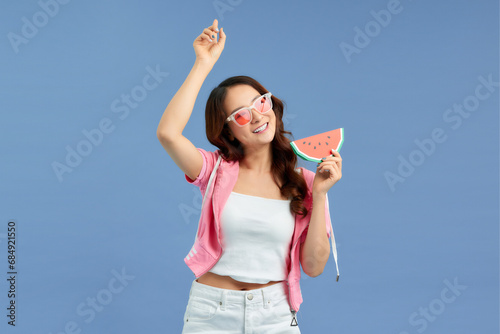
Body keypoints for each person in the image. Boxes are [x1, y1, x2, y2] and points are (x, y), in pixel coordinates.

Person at [156, 18, 342, 333]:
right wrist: (203, 64)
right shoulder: (213, 170)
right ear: (228, 131)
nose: (257, 115)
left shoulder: (305, 183)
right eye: (241, 114)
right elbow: (168, 134)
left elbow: (313, 267)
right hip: (211, 313)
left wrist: (321, 195)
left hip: (277, 315)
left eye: (260, 102)